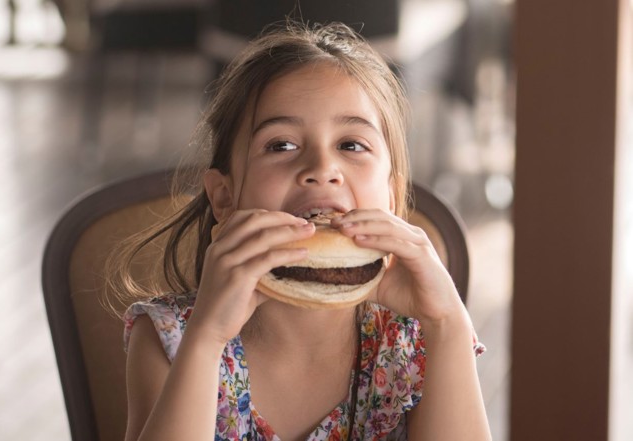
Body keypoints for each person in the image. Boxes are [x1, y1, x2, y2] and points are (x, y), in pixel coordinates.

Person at [114, 21, 491, 441]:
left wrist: (448, 322)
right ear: (224, 198)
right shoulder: (175, 336)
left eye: (351, 145)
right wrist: (207, 338)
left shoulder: (413, 343)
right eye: (281, 145)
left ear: (392, 196)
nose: (321, 170)